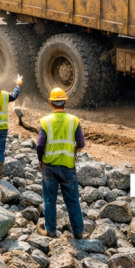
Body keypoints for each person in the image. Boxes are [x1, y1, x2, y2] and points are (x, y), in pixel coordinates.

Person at [37, 87, 85, 239]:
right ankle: (78, 232)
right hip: (68, 167)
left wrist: (40, 160)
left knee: (50, 200)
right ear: (65, 102)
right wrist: (73, 150)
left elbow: (40, 145)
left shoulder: (45, 121)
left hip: (49, 167)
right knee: (72, 201)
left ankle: (50, 230)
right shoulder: (73, 120)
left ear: (51, 104)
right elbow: (81, 143)